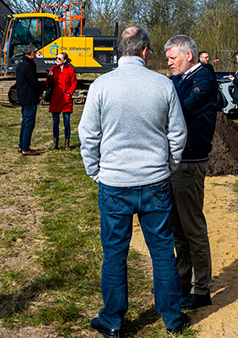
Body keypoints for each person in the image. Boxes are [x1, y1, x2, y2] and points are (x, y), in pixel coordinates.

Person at [79, 26, 189, 336]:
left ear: (119, 50)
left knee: (114, 253)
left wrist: (95, 171)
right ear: (145, 51)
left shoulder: (102, 85)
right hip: (155, 181)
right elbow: (178, 134)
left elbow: (88, 134)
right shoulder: (163, 85)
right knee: (163, 251)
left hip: (114, 182)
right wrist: (168, 166)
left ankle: (113, 321)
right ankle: (172, 318)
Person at [165, 35, 218, 310]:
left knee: (193, 227)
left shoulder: (204, 81)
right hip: (174, 163)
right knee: (177, 229)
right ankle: (183, 282)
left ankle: (202, 288)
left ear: (188, 55)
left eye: (173, 58)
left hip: (190, 162)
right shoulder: (179, 80)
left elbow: (179, 110)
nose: (169, 63)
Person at [14, 45, 42, 155]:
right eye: (35, 53)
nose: (35, 54)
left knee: (25, 122)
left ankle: (22, 146)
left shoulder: (21, 64)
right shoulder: (28, 66)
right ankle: (26, 148)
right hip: (29, 97)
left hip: (23, 97)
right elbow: (34, 82)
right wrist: (40, 92)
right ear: (31, 54)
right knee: (29, 123)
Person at [46, 52, 77, 150]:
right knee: (55, 123)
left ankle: (67, 143)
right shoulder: (53, 69)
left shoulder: (71, 70)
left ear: (64, 60)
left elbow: (74, 83)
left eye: (59, 58)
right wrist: (49, 77)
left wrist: (69, 94)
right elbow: (48, 83)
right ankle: (55, 143)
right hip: (55, 99)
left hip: (66, 100)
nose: (57, 60)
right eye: (57, 58)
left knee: (66, 123)